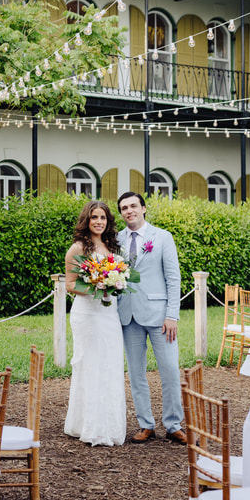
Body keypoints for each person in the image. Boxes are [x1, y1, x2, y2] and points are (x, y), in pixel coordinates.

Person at [115, 191, 184, 444]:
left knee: (170, 371)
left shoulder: (163, 237)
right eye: (124, 208)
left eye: (133, 206)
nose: (129, 211)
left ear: (143, 208)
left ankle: (173, 424)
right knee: (136, 373)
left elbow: (173, 279)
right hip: (128, 315)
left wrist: (172, 315)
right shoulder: (115, 239)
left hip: (160, 317)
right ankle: (146, 424)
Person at [63, 200, 127, 446]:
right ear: (86, 221)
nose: (99, 222)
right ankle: (88, 425)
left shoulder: (112, 247)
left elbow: (119, 277)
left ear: (108, 221)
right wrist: (95, 285)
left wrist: (115, 282)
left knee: (110, 365)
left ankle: (109, 425)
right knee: (89, 364)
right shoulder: (77, 249)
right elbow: (69, 284)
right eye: (94, 218)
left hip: (109, 315)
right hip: (87, 314)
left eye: (102, 217)